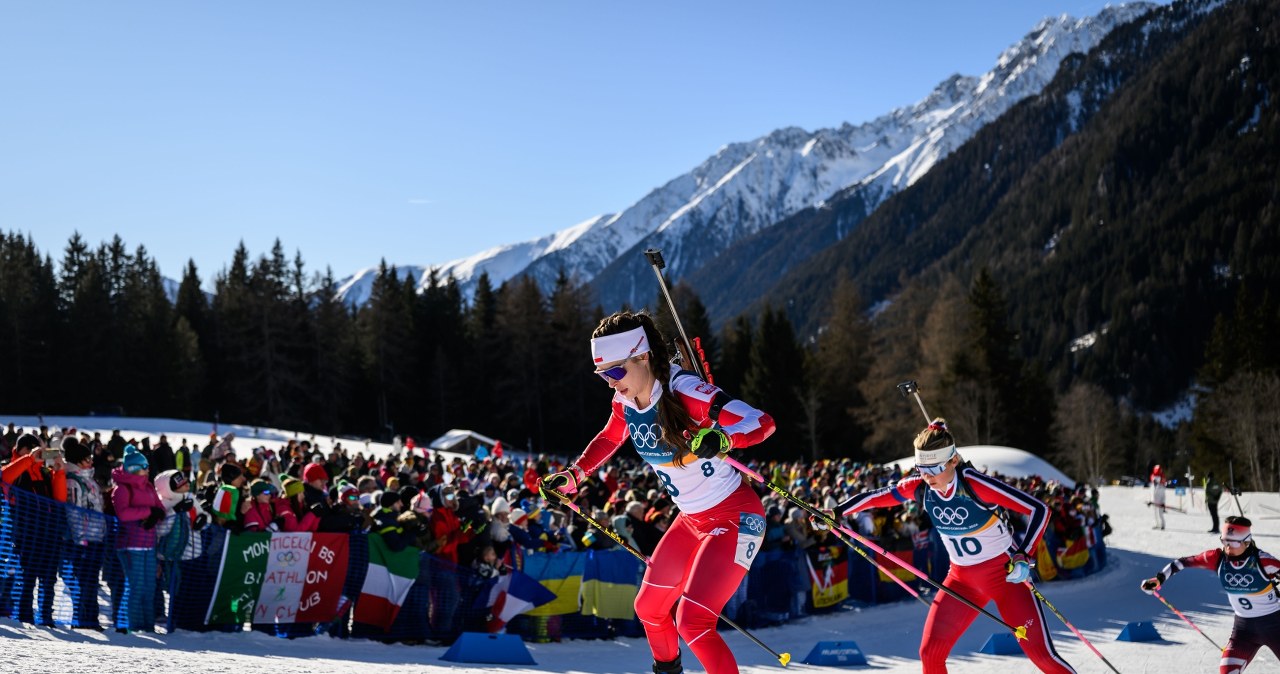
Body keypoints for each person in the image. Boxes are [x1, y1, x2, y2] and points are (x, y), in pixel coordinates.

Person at [542, 310, 776, 674]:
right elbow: (609, 437)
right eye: (603, 375)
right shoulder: (625, 400)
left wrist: (725, 438)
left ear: (642, 356)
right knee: (649, 607)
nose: (610, 382)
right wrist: (575, 475)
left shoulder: (685, 391)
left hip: (735, 517)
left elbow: (762, 422)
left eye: (615, 371)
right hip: (692, 520)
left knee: (693, 622)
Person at [832, 419, 1074, 674]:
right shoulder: (922, 488)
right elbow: (880, 496)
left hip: (1006, 580)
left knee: (1042, 656)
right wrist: (838, 512)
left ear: (953, 461)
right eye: (921, 468)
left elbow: (1039, 509)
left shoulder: (974, 485)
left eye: (934, 468)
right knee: (930, 654)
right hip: (961, 582)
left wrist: (1025, 555)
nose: (927, 476)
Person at [1141, 516, 1280, 673]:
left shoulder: (1263, 561)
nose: (1228, 547)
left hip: (1274, 625)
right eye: (1225, 541)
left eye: (1233, 542)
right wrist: (1159, 579)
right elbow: (1181, 563)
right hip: (1243, 630)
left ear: (1247, 541)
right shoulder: (1217, 558)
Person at [111, 444, 165, 633]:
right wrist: (148, 512)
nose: (148, 470)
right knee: (136, 587)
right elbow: (123, 514)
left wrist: (155, 515)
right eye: (145, 467)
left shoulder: (148, 486)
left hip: (148, 544)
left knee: (149, 588)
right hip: (130, 545)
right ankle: (133, 626)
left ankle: (148, 626)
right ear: (135, 468)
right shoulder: (122, 489)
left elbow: (160, 508)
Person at [1150, 464, 1167, 530]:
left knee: (1160, 514)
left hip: (1160, 503)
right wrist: (1151, 501)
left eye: (1156, 480)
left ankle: (1162, 525)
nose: (1154, 481)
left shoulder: (1161, 486)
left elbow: (1163, 495)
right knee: (1155, 514)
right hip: (1155, 502)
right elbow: (1152, 494)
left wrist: (1163, 503)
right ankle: (1157, 524)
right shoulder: (1153, 486)